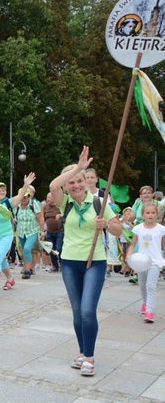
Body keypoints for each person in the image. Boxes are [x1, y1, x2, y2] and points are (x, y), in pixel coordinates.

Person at [49, 147, 122, 377]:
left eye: (80, 181)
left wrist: (107, 225)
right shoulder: (65, 203)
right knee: (77, 311)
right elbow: (53, 186)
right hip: (70, 262)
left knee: (88, 311)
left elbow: (120, 231)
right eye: (71, 182)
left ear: (87, 183)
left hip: (95, 262)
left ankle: (89, 357)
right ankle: (82, 352)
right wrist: (77, 167)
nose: (76, 185)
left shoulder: (99, 202)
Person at [126, 202, 165, 323]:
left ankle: (150, 311)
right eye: (147, 213)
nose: (150, 215)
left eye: (153, 213)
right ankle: (145, 303)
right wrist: (128, 256)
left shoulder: (161, 229)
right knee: (142, 285)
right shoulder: (138, 228)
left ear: (157, 214)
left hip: (155, 261)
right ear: (143, 215)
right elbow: (133, 244)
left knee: (151, 285)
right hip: (141, 261)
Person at [11, 176, 43, 279]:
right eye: (22, 197)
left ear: (29, 196)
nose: (24, 199)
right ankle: (28, 267)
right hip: (21, 232)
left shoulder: (34, 205)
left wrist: (42, 232)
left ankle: (28, 271)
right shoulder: (17, 206)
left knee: (27, 248)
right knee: (24, 251)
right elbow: (14, 217)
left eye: (26, 197)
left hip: (32, 231)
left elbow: (40, 219)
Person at [42, 192, 63, 272]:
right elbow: (42, 218)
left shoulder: (60, 206)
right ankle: (54, 265)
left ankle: (62, 264)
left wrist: (61, 216)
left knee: (59, 248)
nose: (48, 199)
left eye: (49, 198)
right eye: (47, 198)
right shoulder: (45, 207)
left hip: (60, 231)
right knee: (51, 249)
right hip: (49, 231)